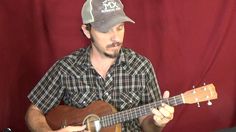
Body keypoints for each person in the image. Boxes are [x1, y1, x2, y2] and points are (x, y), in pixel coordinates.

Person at [25, 0, 174, 131]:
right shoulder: (66, 68)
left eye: (120, 27)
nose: (115, 37)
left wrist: (157, 122)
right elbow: (34, 111)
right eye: (105, 30)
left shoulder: (142, 67)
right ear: (87, 31)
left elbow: (149, 127)